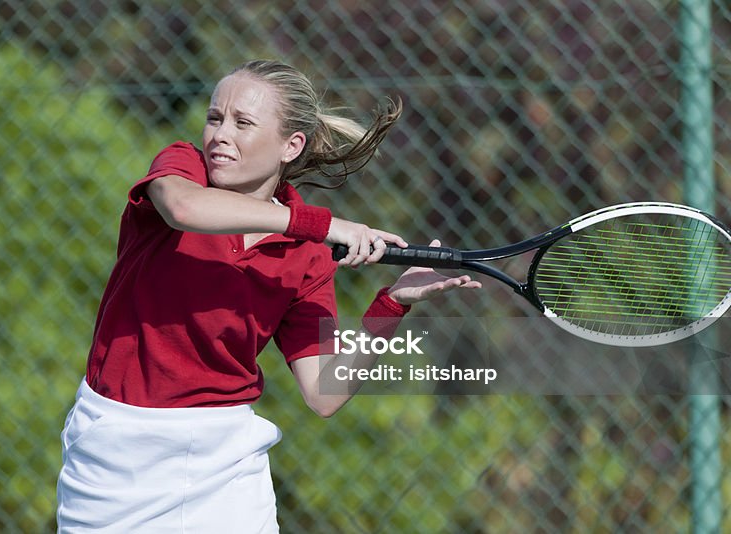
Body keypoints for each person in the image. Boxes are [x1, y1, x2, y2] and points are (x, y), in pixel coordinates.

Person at [55, 59, 481, 533]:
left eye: (243, 123)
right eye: (215, 117)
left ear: (290, 145)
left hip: (226, 462)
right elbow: (183, 208)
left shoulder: (309, 257)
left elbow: (326, 392)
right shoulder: (182, 169)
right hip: (115, 452)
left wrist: (392, 306)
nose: (220, 134)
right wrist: (318, 225)